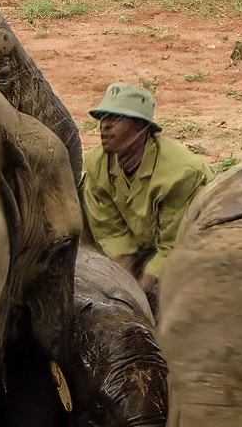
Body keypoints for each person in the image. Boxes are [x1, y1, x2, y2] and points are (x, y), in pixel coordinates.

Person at [81, 82, 213, 314]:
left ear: (141, 128)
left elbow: (175, 244)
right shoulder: (96, 164)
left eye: (117, 118)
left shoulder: (180, 174)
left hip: (191, 248)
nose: (106, 125)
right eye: (103, 117)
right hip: (140, 248)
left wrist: (141, 292)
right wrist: (126, 288)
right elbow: (110, 231)